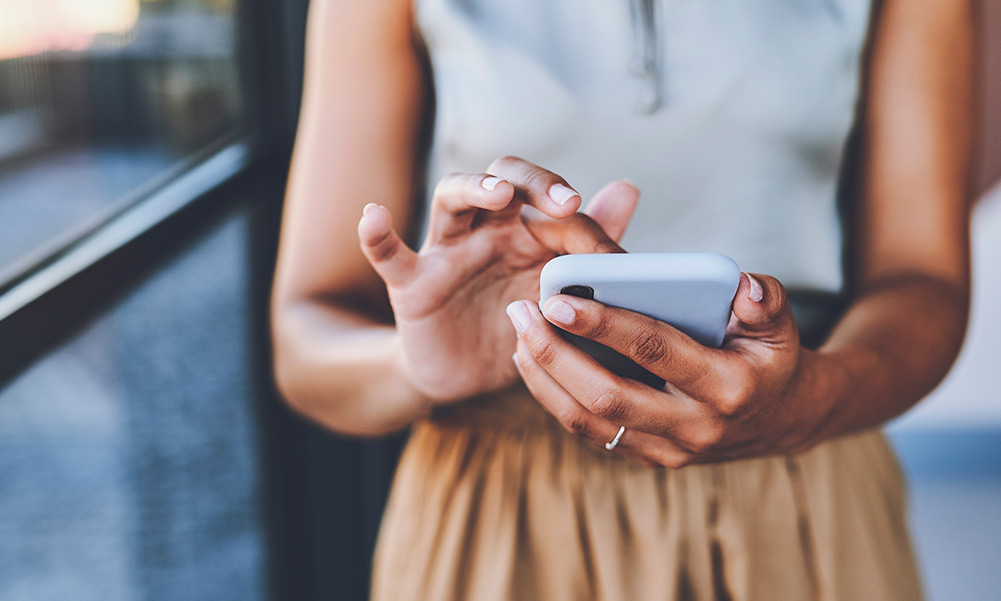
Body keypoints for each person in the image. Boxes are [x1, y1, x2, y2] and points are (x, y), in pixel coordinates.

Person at [270, 0, 973, 598]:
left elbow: (924, 281)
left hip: (802, 498)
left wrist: (805, 402)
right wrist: (414, 364)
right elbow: (305, 334)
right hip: (495, 515)